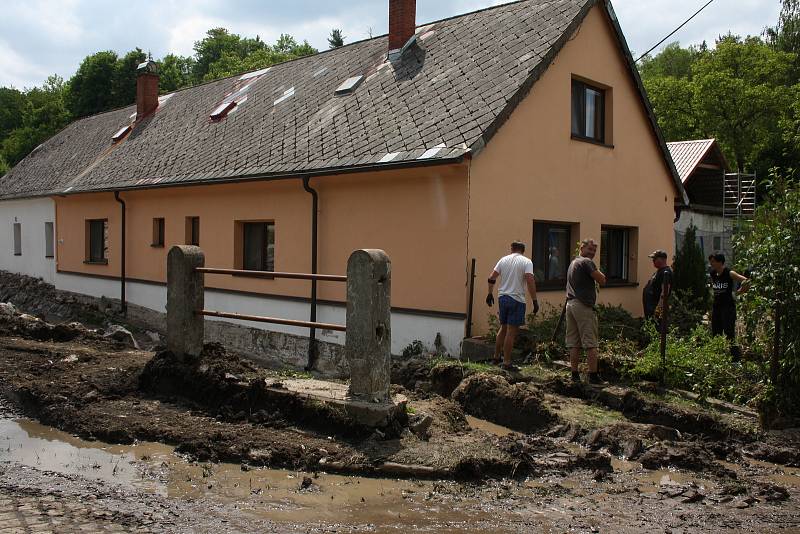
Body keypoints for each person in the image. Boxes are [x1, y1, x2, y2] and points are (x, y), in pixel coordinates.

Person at [486, 241, 539, 371]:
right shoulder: (527, 262)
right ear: (523, 250)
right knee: (511, 331)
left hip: (502, 297)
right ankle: (507, 362)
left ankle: (496, 357)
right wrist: (534, 300)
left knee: (503, 328)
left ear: (512, 249)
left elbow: (492, 277)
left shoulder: (503, 260)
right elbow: (530, 280)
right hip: (516, 299)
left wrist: (489, 293)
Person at [565, 238, 606, 384]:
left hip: (570, 304)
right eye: (590, 249)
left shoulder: (573, 262)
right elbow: (602, 280)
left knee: (574, 342)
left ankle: (574, 374)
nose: (592, 253)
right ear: (582, 248)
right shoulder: (586, 262)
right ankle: (593, 376)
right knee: (590, 342)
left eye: (594, 251)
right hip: (583, 305)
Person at [708, 253, 749, 360]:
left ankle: (736, 359)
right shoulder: (713, 273)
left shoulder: (729, 273)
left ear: (720, 262)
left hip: (728, 307)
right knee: (716, 333)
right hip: (716, 308)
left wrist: (737, 293)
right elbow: (714, 288)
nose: (711, 263)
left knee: (729, 332)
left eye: (713, 261)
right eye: (710, 261)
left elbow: (746, 281)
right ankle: (716, 358)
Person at [643, 249, 673, 321]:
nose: (653, 260)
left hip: (655, 309)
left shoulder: (666, 272)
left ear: (661, 259)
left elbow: (665, 292)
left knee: (657, 327)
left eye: (654, 258)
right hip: (650, 308)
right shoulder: (660, 271)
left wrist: (658, 310)